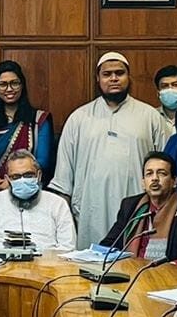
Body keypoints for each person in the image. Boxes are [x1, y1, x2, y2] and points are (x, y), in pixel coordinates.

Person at [50, 52, 170, 245]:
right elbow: (64, 179)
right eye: (107, 74)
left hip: (139, 211)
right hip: (90, 213)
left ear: (128, 77)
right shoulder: (79, 118)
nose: (114, 78)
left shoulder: (150, 117)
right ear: (98, 79)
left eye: (119, 73)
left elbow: (167, 169)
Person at [100, 152, 177, 269]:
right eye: (149, 174)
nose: (155, 179)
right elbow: (109, 244)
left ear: (175, 181)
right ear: (143, 182)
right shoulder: (130, 206)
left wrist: (176, 266)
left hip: (170, 278)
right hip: (130, 273)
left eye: (162, 173)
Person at [0, 61, 54, 199]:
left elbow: (43, 161)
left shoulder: (38, 120)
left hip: (29, 189)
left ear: (22, 86)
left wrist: (17, 183)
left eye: (14, 83)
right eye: (3, 84)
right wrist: (1, 184)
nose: (9, 89)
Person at [0, 149, 75, 251]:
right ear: (8, 179)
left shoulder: (57, 204)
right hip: (4, 265)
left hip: (48, 265)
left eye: (28, 175)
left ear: (39, 176)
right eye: (16, 176)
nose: (22, 180)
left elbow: (67, 248)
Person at [154, 64, 177, 132]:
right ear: (158, 92)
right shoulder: (152, 116)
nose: (170, 89)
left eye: (175, 85)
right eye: (164, 86)